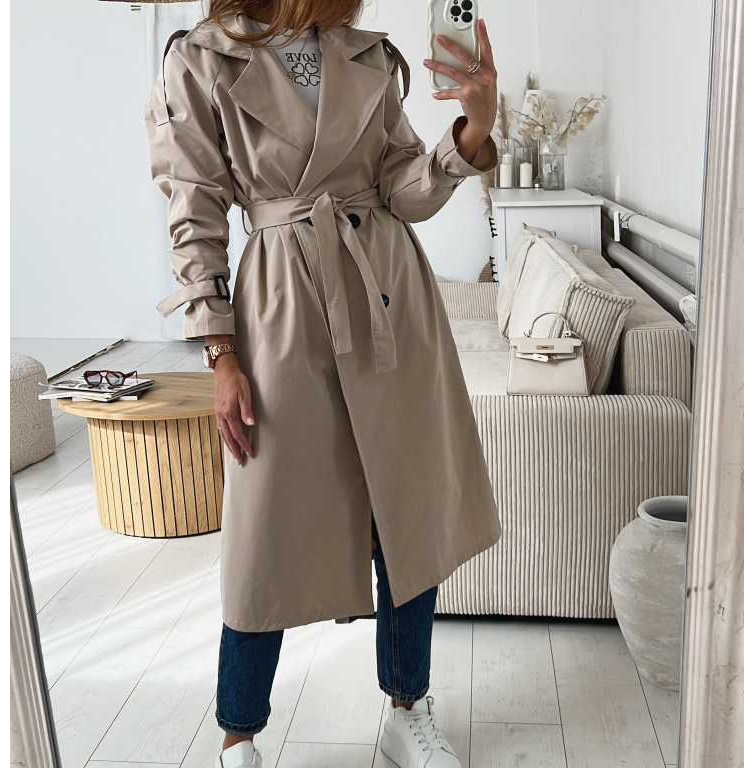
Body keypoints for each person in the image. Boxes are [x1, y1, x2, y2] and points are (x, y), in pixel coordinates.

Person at [144, 2, 502, 766]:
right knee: (265, 530)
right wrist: (220, 353)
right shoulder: (201, 56)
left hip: (387, 297)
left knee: (403, 514)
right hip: (281, 304)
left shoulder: (363, 52)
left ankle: (407, 708)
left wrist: (472, 130)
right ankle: (238, 736)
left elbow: (403, 188)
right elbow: (193, 210)